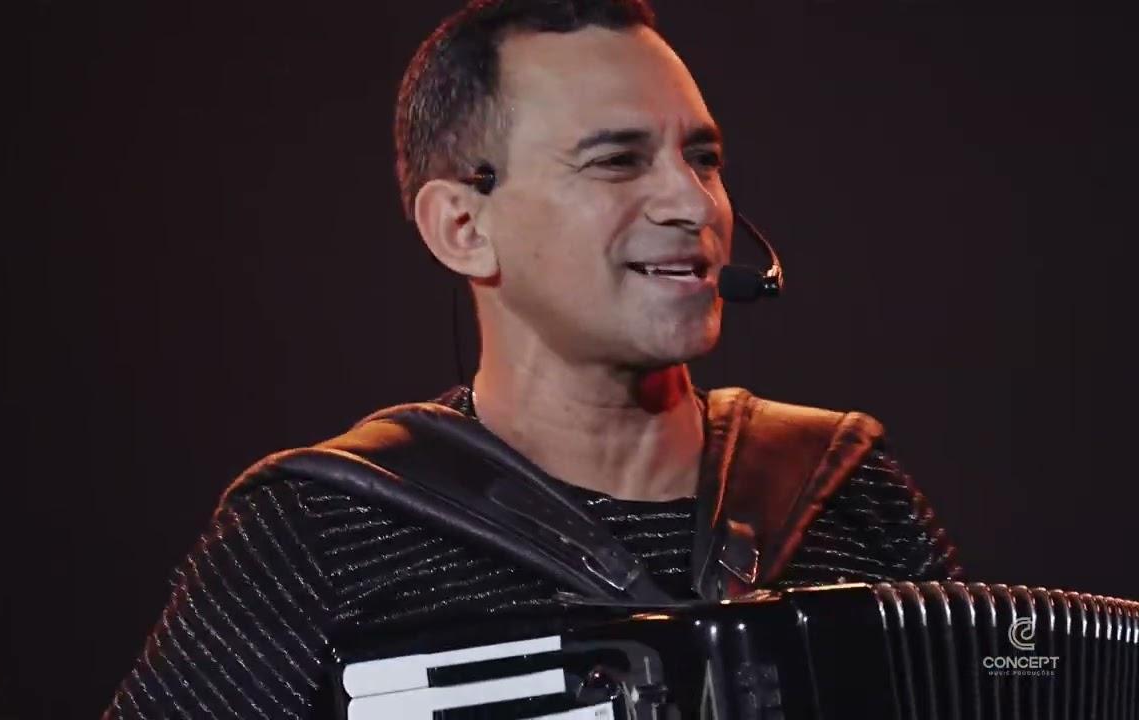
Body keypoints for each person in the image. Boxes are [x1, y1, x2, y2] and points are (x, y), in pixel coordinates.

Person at [102, 0, 961, 717]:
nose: (693, 202)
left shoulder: (850, 493)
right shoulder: (320, 533)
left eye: (703, 159)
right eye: (617, 161)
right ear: (463, 228)